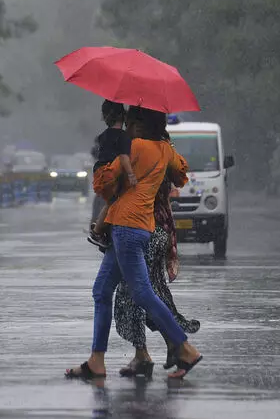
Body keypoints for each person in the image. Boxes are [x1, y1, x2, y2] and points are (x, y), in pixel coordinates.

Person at [66, 106, 202, 380]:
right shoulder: (164, 149)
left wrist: (109, 157)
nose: (126, 124)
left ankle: (185, 347)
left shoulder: (134, 146)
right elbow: (181, 174)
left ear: (139, 124)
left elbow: (102, 183)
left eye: (129, 120)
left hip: (126, 228)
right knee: (102, 291)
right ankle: (96, 361)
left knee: (142, 294)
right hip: (140, 226)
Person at [114, 175, 200, 377]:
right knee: (148, 293)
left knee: (135, 294)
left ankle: (180, 348)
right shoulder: (163, 153)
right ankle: (159, 349)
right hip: (160, 228)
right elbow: (178, 177)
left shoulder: (140, 157)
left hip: (145, 229)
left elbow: (117, 191)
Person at [88, 100, 137, 249]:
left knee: (111, 203)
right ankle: (98, 231)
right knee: (116, 202)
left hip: (99, 174)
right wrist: (131, 174)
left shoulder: (103, 136)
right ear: (124, 117)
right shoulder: (123, 136)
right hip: (110, 174)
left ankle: (100, 231)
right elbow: (123, 157)